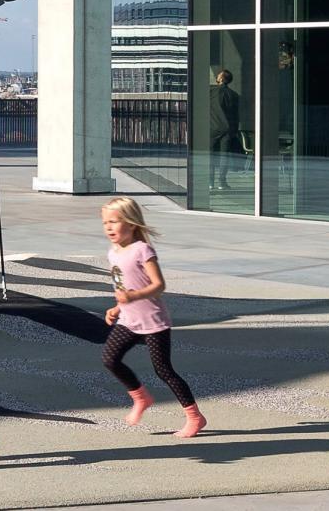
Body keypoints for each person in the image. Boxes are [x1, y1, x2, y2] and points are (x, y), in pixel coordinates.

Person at [102, 197, 205, 437]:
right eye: (105, 222)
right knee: (110, 359)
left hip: (153, 322)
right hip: (128, 320)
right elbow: (123, 287)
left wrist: (134, 296)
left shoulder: (142, 250)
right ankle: (141, 397)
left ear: (131, 223)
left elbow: (159, 285)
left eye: (114, 221)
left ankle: (195, 417)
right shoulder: (113, 253)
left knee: (164, 371)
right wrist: (117, 307)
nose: (108, 227)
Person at [206, 67, 241, 190]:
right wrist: (235, 131)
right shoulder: (234, 95)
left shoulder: (210, 92)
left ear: (220, 79)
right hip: (228, 129)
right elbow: (236, 115)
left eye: (218, 75)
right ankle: (222, 182)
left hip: (212, 128)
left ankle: (210, 182)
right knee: (224, 157)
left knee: (210, 156)